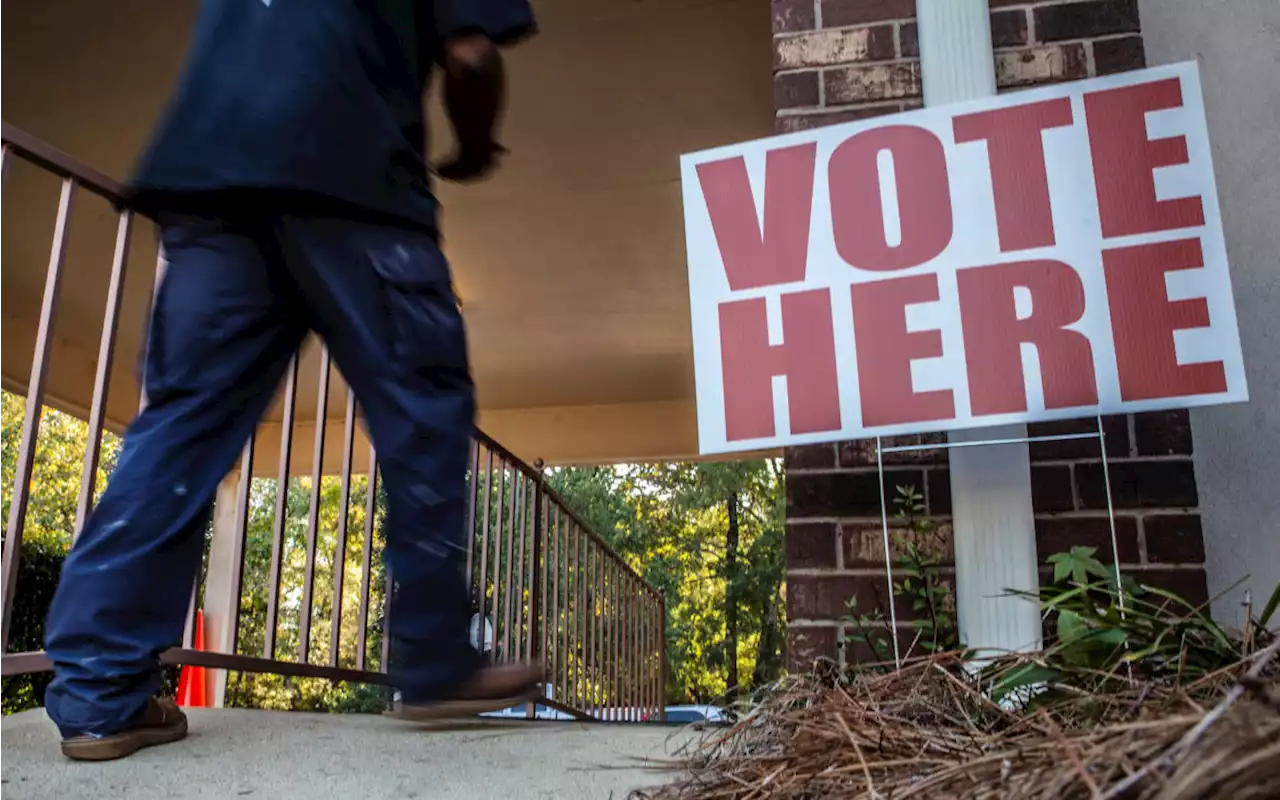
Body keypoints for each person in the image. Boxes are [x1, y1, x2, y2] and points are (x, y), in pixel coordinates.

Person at [42, 0, 539, 762]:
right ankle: (436, 661)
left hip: (210, 176)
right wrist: (475, 146)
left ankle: (100, 695)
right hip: (355, 176)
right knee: (422, 409)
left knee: (181, 426)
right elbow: (471, 55)